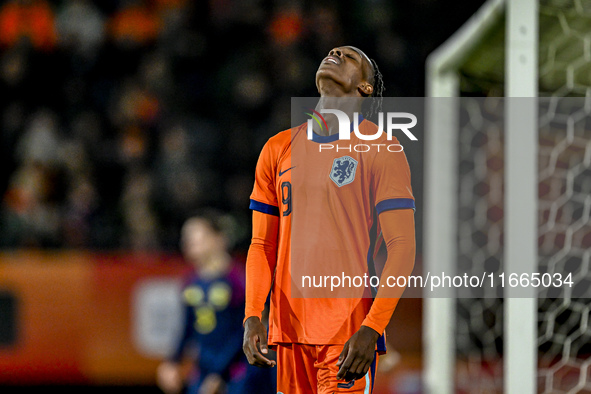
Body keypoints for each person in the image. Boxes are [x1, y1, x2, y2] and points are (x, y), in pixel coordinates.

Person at [243, 46, 416, 393]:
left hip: (347, 334)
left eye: (350, 56)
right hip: (288, 335)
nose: (335, 51)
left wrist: (373, 328)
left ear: (365, 87)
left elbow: (402, 247)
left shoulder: (383, 149)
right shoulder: (278, 148)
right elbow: (262, 244)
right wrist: (251, 316)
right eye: (333, 51)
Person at [158, 210, 275, 394]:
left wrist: (221, 374)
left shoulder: (240, 281)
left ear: (219, 238)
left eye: (196, 235)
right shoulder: (191, 283)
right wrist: (173, 361)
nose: (188, 242)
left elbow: (247, 332)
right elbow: (187, 327)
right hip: (203, 373)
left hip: (238, 374)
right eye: (185, 237)